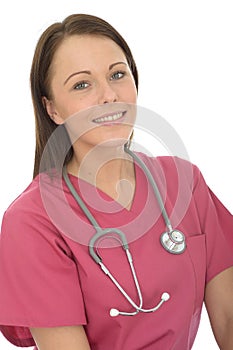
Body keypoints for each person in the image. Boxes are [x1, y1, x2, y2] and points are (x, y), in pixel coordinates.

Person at [0, 13, 233, 350]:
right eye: (82, 84)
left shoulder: (185, 183)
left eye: (118, 74)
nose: (109, 95)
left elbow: (227, 319)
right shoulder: (33, 221)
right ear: (53, 110)